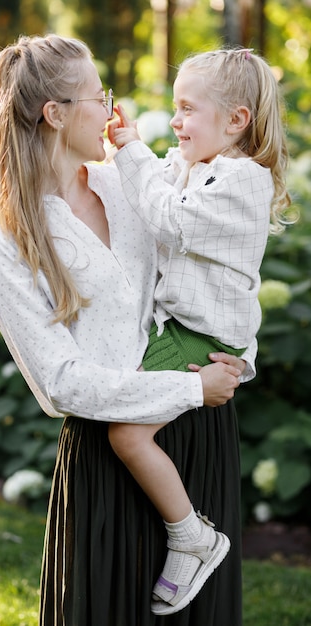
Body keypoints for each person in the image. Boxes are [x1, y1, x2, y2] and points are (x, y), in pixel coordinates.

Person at [0, 34, 256, 626]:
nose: (109, 109)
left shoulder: (129, 188)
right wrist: (189, 389)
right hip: (111, 454)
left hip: (199, 437)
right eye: (99, 97)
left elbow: (214, 270)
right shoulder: (3, 244)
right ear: (55, 114)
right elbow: (62, 383)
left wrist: (230, 356)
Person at [107, 47, 291, 616]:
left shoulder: (243, 180)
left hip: (199, 337)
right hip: (185, 329)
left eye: (187, 109)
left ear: (236, 120)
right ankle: (184, 533)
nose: (177, 122)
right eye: (175, 108)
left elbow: (170, 217)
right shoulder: (198, 165)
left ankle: (191, 536)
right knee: (125, 413)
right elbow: (144, 186)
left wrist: (133, 152)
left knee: (127, 433)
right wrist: (122, 145)